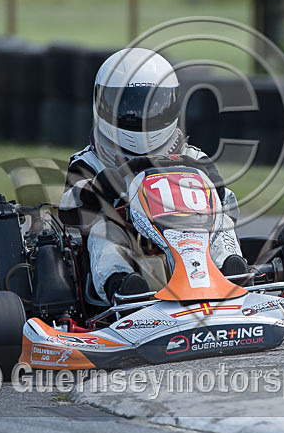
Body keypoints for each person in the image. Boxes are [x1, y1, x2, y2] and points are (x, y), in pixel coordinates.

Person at [58, 47, 247, 304]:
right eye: (130, 106)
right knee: (103, 229)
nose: (142, 115)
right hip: (129, 245)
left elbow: (223, 195)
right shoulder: (89, 161)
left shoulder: (190, 155)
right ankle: (122, 286)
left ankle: (230, 272)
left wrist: (207, 185)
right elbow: (69, 210)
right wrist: (108, 183)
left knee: (221, 219)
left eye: (154, 104)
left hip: (189, 232)